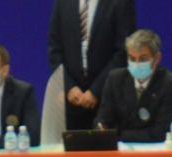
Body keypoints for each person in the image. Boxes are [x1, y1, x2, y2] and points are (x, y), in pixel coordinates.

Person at [48, 0, 137, 131]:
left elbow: (123, 51)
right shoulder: (63, 3)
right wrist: (69, 87)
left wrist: (96, 90)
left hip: (108, 100)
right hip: (73, 102)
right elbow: (55, 51)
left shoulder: (120, 3)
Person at [95, 29, 172, 143]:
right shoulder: (115, 79)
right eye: (132, 58)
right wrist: (100, 127)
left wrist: (118, 135)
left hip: (154, 152)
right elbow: (103, 118)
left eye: (143, 59)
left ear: (157, 59)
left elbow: (161, 132)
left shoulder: (171, 85)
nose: (136, 63)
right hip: (119, 151)